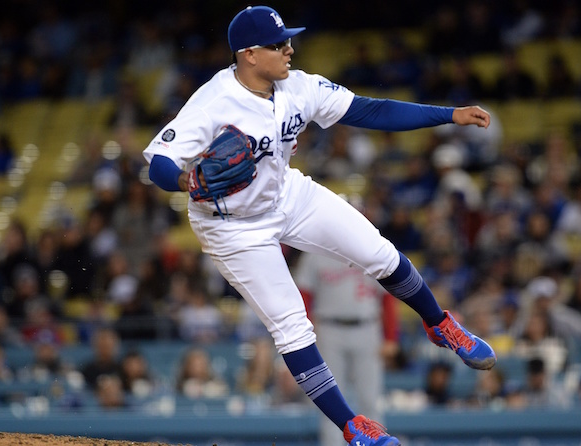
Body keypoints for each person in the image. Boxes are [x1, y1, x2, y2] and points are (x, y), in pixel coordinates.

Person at [143, 6, 496, 445]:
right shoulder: (214, 101)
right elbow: (158, 163)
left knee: (380, 253)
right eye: (278, 44)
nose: (289, 48)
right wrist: (184, 180)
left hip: (286, 194)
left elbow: (372, 111)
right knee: (292, 326)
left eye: (289, 39)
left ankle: (440, 324)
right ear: (249, 54)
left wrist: (448, 115)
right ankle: (352, 426)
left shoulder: (299, 86)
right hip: (232, 226)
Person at [293, 248, 399, 446]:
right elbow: (304, 295)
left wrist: (391, 337)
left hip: (368, 327)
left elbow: (387, 297)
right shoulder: (315, 252)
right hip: (328, 328)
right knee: (330, 401)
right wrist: (305, 334)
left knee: (370, 398)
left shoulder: (368, 247)